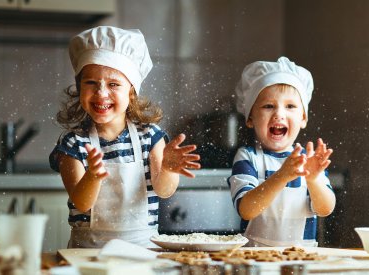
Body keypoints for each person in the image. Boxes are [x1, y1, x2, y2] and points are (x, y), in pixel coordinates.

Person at [49, 26, 200, 248]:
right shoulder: (73, 144)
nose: (101, 93)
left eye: (113, 84)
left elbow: (164, 191)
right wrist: (92, 176)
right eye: (90, 82)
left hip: (143, 251)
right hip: (88, 253)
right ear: (79, 87)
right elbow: (81, 203)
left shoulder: (151, 136)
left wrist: (167, 168)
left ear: (131, 91)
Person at [228, 57, 336, 247]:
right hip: (254, 260)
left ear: (303, 118)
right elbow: (246, 209)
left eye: (290, 106)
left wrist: (313, 180)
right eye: (268, 106)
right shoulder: (248, 157)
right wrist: (282, 176)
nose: (279, 114)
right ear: (250, 117)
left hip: (301, 261)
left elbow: (325, 209)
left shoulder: (309, 161)